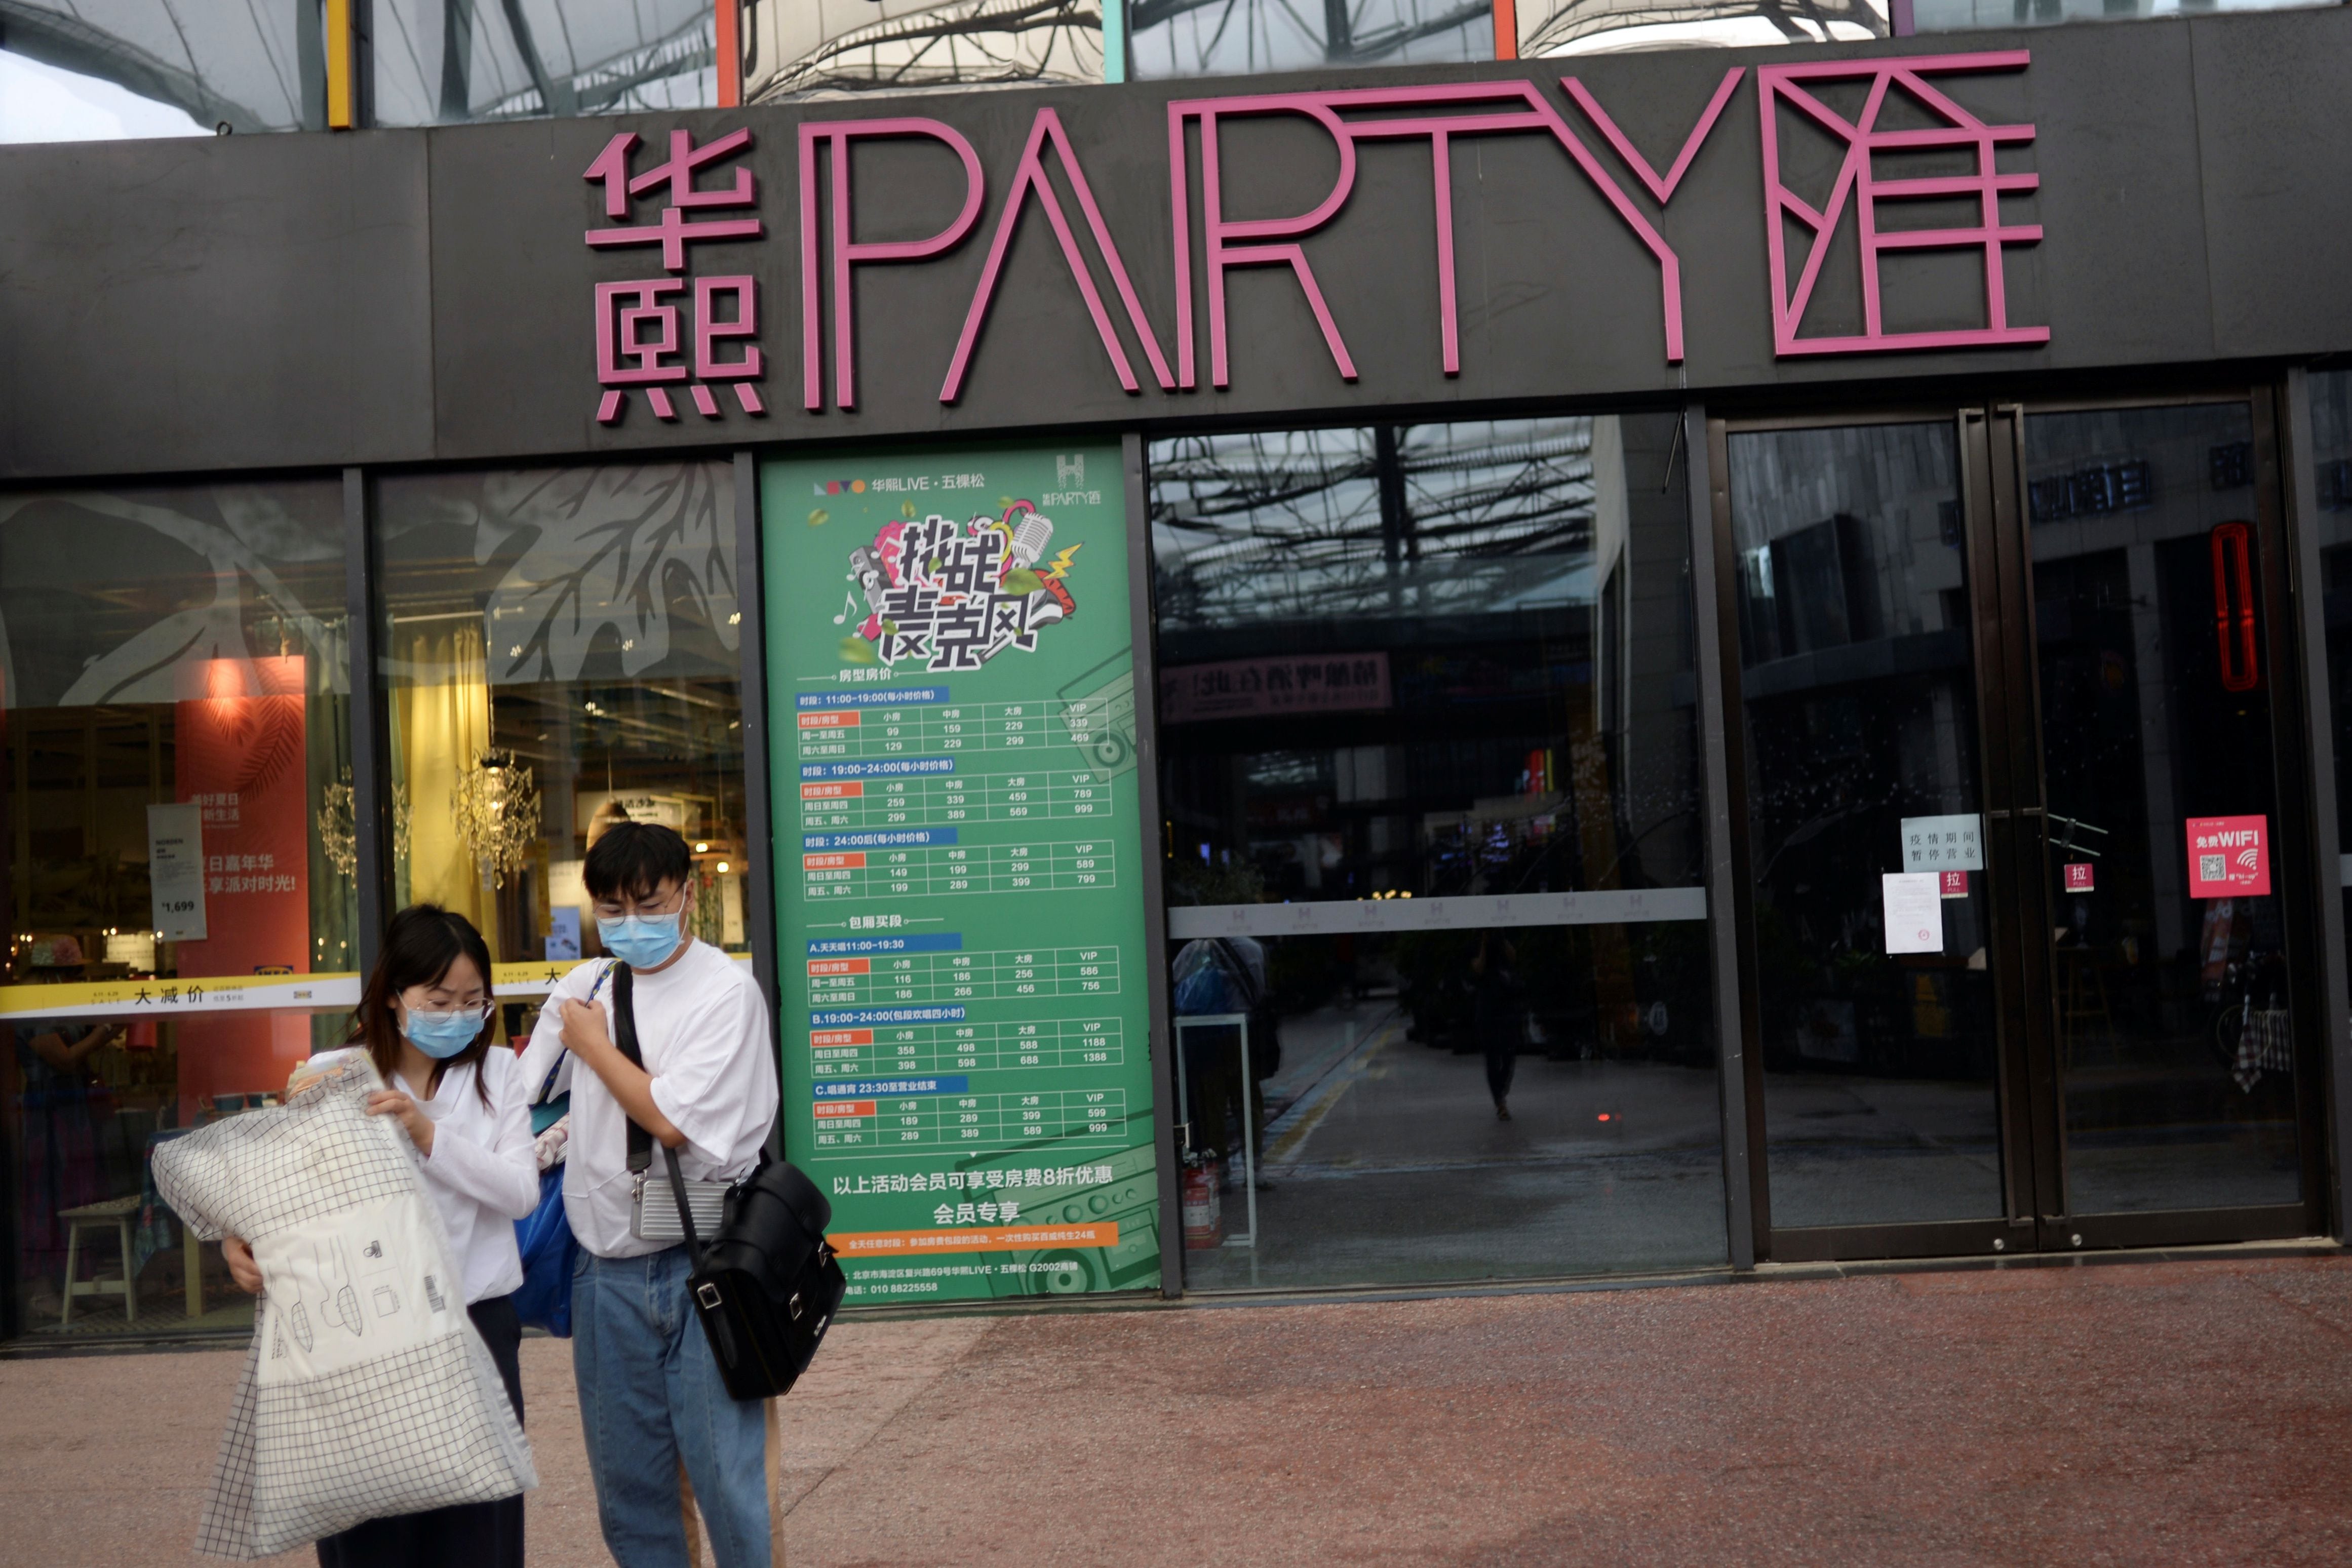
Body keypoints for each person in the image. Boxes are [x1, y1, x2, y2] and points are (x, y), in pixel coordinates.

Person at [219, 906, 539, 1568]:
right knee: (372, 1541)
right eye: (439, 1000)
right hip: (365, 1335)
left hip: (475, 1327)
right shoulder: (335, 1073)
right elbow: (281, 1184)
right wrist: (240, 1239)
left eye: (473, 1002)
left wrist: (429, 1136)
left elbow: (519, 1192)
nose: (457, 1015)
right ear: (395, 997)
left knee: (478, 1540)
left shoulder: (500, 1074)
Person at [516, 821, 780, 1568]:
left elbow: (669, 1122)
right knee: (629, 1491)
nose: (630, 925)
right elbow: (515, 1098)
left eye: (649, 904)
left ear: (687, 897)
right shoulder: (586, 986)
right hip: (606, 1272)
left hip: (705, 1263)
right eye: (612, 911)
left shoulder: (727, 996)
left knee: (726, 1481)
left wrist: (593, 1046)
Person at [1471, 929, 1524, 1121]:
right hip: (1488, 1011)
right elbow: (1478, 967)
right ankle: (1500, 1102)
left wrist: (1501, 939)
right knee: (1493, 1057)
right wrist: (1484, 943)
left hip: (1507, 1009)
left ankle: (1501, 1091)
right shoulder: (1476, 942)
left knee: (1509, 1056)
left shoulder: (1504, 940)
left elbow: (1514, 958)